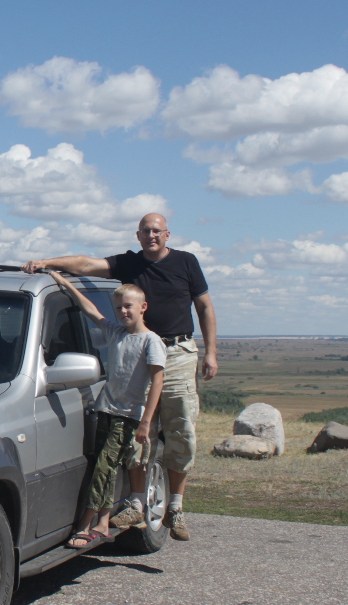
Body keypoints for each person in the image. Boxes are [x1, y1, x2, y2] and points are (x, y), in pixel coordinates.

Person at [23, 212, 218, 541]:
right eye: (145, 231)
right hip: (139, 353)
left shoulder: (186, 262)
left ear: (167, 234)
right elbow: (86, 265)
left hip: (178, 352)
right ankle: (137, 504)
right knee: (140, 433)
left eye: (157, 231)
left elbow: (205, 307)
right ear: (138, 235)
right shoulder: (129, 264)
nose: (151, 235)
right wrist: (46, 262)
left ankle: (176, 508)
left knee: (181, 429)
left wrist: (211, 352)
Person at [47, 272, 164, 548]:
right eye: (119, 307)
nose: (123, 312)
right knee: (106, 467)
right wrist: (66, 285)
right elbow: (91, 311)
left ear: (142, 307)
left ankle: (85, 524)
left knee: (102, 467)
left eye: (128, 307)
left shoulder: (151, 342)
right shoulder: (116, 333)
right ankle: (103, 521)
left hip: (129, 416)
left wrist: (146, 422)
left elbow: (158, 381)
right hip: (106, 409)